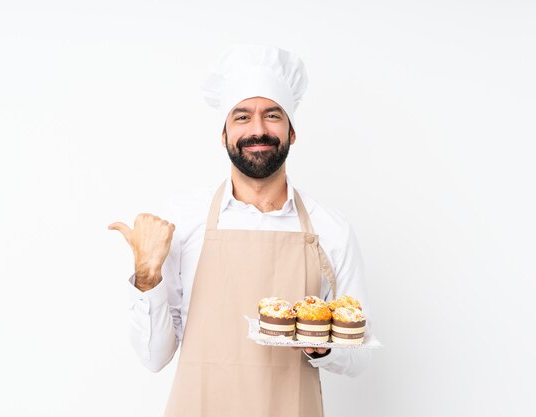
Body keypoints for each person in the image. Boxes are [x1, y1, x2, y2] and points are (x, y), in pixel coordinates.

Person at [108, 44, 373, 417]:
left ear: (292, 131)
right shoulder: (183, 220)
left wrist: (322, 345)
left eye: (272, 115)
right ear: (224, 133)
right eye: (242, 117)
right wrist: (147, 276)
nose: (259, 130)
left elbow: (359, 358)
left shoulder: (331, 229)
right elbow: (154, 358)